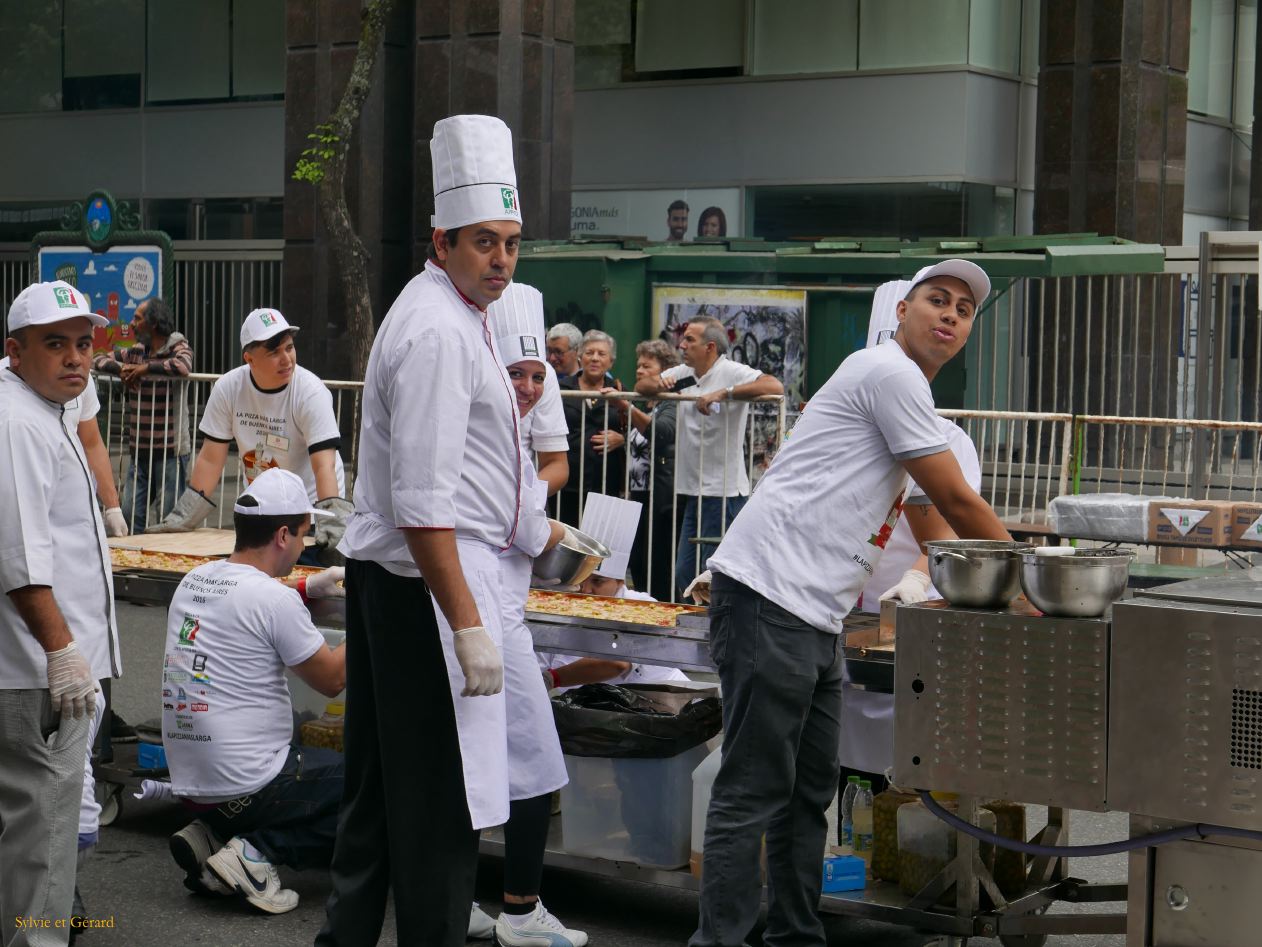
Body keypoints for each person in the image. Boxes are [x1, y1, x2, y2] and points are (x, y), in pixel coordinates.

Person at [690, 261, 1012, 947]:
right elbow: (956, 501)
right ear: (902, 311)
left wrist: (966, 580)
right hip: (769, 591)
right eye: (936, 300)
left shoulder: (911, 397)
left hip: (817, 613)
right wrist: (1027, 577)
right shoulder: (886, 371)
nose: (950, 315)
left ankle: (795, 936)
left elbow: (935, 529)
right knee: (751, 790)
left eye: (963, 308)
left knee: (808, 793)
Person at [317, 114, 523, 947]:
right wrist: (469, 625)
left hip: (392, 582)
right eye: (484, 242)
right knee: (439, 802)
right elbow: (423, 505)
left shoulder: (444, 305)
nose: (501, 258)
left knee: (373, 790)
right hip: (419, 592)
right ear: (443, 241)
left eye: (511, 242)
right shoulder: (439, 329)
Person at [160, 468, 346, 915]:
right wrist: (376, 610)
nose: (306, 545)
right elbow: (332, 678)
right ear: (283, 535)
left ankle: (213, 836)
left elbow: (244, 603)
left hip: (191, 782)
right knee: (376, 786)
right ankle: (256, 852)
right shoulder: (273, 600)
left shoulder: (194, 579)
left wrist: (303, 586)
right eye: (304, 534)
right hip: (250, 783)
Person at [0, 280, 119, 945]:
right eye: (55, 344)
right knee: (44, 844)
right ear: (14, 352)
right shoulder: (17, 420)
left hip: (38, 666)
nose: (75, 358)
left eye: (82, 343)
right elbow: (19, 556)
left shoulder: (47, 410)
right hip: (36, 672)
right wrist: (62, 651)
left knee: (29, 837)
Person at [469, 281, 582, 946]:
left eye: (538, 373)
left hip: (490, 602)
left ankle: (470, 901)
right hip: (481, 612)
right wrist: (560, 540)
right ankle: (519, 911)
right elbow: (526, 524)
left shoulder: (509, 428)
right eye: (519, 372)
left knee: (470, 762)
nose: (531, 386)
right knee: (534, 758)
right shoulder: (486, 430)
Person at [839, 280, 984, 796]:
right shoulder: (844, 425)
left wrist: (918, 580)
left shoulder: (947, 441)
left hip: (904, 628)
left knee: (905, 777)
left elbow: (948, 532)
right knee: (840, 779)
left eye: (960, 310)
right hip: (836, 617)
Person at [148, 308, 352, 561]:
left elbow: (325, 466)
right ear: (249, 358)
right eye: (274, 352)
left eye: (289, 348)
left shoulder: (310, 391)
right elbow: (211, 459)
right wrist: (184, 517)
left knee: (306, 584)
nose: (286, 359)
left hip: (307, 509)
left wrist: (331, 521)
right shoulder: (228, 388)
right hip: (260, 507)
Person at [635, 317, 784, 598]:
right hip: (694, 489)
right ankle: (699, 629)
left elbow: (774, 386)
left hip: (723, 490)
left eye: (690, 339)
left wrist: (724, 393)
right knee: (685, 573)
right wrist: (660, 384)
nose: (682, 344)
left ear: (710, 347)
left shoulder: (731, 370)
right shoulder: (685, 372)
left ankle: (713, 632)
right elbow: (642, 387)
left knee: (711, 576)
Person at [539, 493, 690, 691]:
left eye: (598, 582)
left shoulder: (640, 606)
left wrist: (552, 679)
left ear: (620, 580)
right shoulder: (566, 607)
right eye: (581, 580)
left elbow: (617, 663)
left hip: (666, 703)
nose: (587, 591)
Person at [91, 296, 194, 532]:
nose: (133, 323)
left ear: (153, 323)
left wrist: (144, 369)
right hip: (140, 449)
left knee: (169, 517)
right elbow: (97, 359)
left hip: (172, 449)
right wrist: (123, 370)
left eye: (138, 318)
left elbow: (183, 366)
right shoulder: (137, 351)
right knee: (129, 513)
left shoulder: (179, 346)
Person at [626, 339, 682, 602]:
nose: (639, 371)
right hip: (638, 493)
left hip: (659, 495)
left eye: (646, 366)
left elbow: (663, 433)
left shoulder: (671, 402)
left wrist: (626, 410)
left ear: (665, 371)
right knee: (637, 559)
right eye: (638, 365)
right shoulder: (647, 404)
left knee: (656, 559)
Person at [559, 329, 627, 526]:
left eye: (601, 354)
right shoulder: (563, 388)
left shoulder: (620, 391)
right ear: (580, 357)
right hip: (567, 483)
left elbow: (635, 431)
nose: (595, 358)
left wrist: (622, 439)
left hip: (606, 484)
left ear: (611, 362)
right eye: (589, 353)